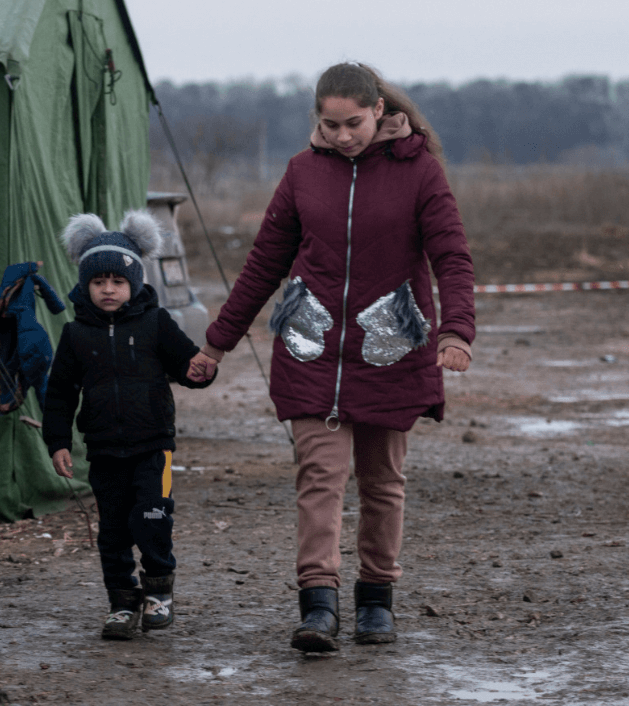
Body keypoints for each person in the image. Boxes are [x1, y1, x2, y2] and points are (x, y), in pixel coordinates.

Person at [198, 62, 475, 652]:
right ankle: (317, 605)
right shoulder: (302, 172)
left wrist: (456, 332)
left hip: (391, 351)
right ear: (316, 120)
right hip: (312, 347)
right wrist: (218, 342)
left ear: (379, 111)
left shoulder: (421, 172)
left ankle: (376, 601)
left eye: (354, 123)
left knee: (383, 483)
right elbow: (263, 264)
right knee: (319, 478)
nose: (344, 135)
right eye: (331, 124)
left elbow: (450, 256)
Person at [42, 209, 216, 640]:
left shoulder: (156, 323)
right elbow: (60, 393)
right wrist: (58, 441)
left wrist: (202, 370)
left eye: (117, 282)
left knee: (153, 519)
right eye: (98, 282)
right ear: (86, 285)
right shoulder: (75, 335)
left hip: (152, 446)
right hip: (103, 449)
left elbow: (188, 363)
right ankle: (122, 602)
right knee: (114, 530)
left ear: (134, 283)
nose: (108, 289)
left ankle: (159, 594)